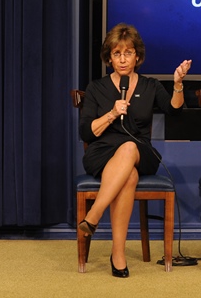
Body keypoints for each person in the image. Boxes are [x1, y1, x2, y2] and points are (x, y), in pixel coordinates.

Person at [78, 23, 192, 278]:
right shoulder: (97, 88)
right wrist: (111, 113)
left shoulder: (150, 86)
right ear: (109, 58)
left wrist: (178, 84)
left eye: (128, 53)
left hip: (140, 150)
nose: (122, 59)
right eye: (117, 53)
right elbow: (86, 132)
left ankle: (94, 214)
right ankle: (118, 254)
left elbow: (174, 111)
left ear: (137, 57)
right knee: (128, 176)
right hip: (103, 151)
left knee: (129, 148)